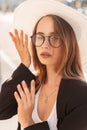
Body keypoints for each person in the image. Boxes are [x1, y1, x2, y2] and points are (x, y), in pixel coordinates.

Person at [0, 0, 87, 130]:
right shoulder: (32, 85)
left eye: (54, 38)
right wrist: (24, 64)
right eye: (40, 37)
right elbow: (2, 111)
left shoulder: (81, 95)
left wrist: (27, 122)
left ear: (68, 45)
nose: (45, 45)